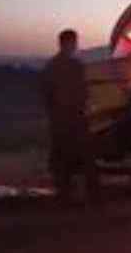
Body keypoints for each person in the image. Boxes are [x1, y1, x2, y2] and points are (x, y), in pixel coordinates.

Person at [40, 29, 100, 205]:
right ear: (69, 43)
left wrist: (53, 114)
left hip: (60, 119)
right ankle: (93, 196)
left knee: (62, 158)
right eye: (74, 42)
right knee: (86, 157)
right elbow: (83, 92)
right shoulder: (76, 67)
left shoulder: (51, 67)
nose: (75, 46)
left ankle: (65, 195)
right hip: (75, 118)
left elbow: (45, 95)